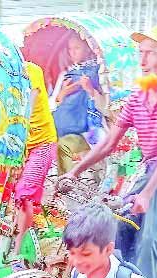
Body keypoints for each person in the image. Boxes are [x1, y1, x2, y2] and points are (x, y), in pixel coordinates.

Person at [62, 26, 157, 278]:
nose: (142, 61)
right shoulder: (138, 96)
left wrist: (146, 194)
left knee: (151, 238)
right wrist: (75, 171)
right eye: (141, 53)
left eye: (150, 53)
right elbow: (109, 142)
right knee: (120, 228)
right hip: (152, 169)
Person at [14, 61, 58, 257]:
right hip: (20, 146)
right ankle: (20, 238)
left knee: (24, 194)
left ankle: (16, 252)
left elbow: (27, 110)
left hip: (42, 144)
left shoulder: (31, 70)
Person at [50, 35, 109, 174]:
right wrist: (62, 94)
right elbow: (51, 105)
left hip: (91, 134)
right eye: (70, 49)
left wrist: (90, 89)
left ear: (88, 49)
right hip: (63, 131)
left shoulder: (100, 73)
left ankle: (67, 184)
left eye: (77, 48)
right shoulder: (66, 74)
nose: (73, 52)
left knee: (65, 148)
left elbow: (107, 108)